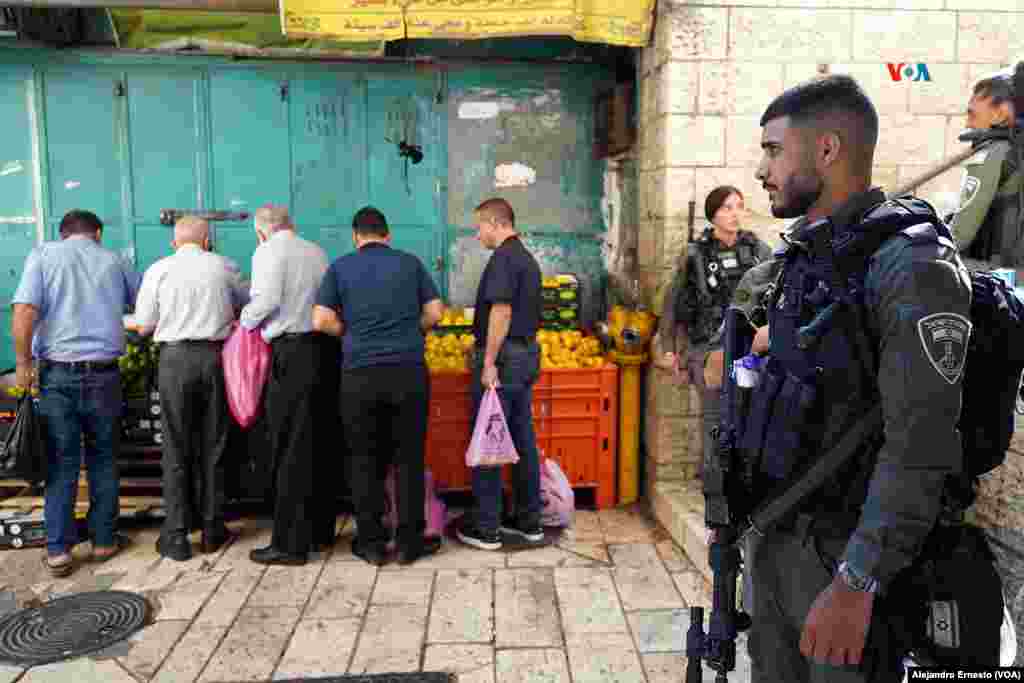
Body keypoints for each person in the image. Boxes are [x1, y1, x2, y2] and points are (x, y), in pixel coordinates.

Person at [739, 74, 971, 682]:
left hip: (844, 556)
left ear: (827, 149)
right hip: (782, 536)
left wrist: (857, 581)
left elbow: (920, 441)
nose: (761, 171)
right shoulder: (808, 254)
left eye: (771, 150)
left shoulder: (912, 264)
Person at [11, 210, 140, 577]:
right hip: (104, 376)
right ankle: (103, 542)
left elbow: (23, 310)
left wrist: (23, 364)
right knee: (103, 459)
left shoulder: (43, 255)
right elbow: (144, 308)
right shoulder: (116, 260)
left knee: (61, 463)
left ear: (63, 233)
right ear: (97, 233)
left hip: (57, 376)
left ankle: (59, 552)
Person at [313, 206, 444, 566]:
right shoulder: (411, 263)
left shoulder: (341, 267)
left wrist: (350, 334)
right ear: (388, 234)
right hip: (408, 372)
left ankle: (370, 543)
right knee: (409, 458)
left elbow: (321, 319)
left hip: (360, 376)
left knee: (364, 459)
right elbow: (435, 312)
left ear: (356, 237)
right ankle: (409, 544)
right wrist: (411, 331)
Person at [134, 216, 248, 562]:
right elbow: (245, 307)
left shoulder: (159, 270)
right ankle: (213, 530)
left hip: (174, 361)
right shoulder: (225, 266)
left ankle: (177, 535)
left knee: (176, 447)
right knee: (215, 445)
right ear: (207, 241)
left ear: (174, 242)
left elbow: (143, 325)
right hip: (215, 359)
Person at [239, 206, 332, 566]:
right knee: (316, 444)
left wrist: (244, 324)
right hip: (321, 351)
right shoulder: (317, 251)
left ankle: (290, 545)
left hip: (290, 353)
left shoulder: (266, 251)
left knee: (288, 447)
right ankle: (320, 533)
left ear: (262, 232)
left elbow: (265, 301)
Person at [658, 186, 772, 478]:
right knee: (715, 416)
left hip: (747, 350)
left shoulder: (758, 252)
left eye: (739, 206)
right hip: (708, 349)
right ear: (713, 215)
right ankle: (715, 482)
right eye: (726, 208)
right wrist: (670, 349)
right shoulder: (695, 254)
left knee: (745, 409)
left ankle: (740, 478)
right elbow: (672, 303)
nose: (735, 214)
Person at [456, 198, 545, 551]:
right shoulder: (525, 257)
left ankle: (488, 527)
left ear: (496, 222)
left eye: (479, 227)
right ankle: (529, 522)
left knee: (490, 439)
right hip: (526, 357)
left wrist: (489, 360)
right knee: (522, 439)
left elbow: (502, 312)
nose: (478, 235)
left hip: (505, 360)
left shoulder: (504, 259)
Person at [948, 70, 1022, 272]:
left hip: (1002, 275)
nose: (967, 123)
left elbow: (958, 237)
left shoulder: (994, 153)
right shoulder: (1016, 149)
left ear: (1000, 114)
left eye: (972, 114)